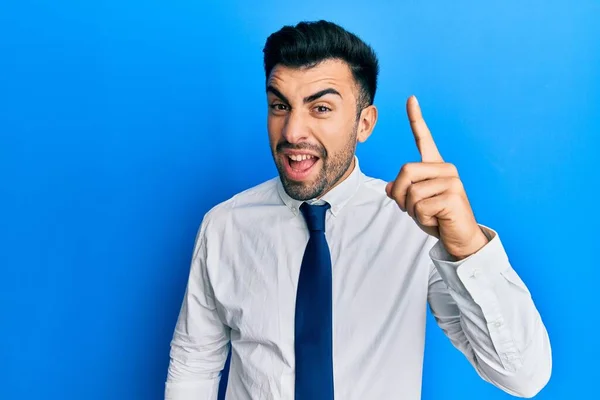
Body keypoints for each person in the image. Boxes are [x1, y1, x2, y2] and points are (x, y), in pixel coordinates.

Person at [164, 20, 551, 400]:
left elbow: (523, 376)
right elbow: (194, 362)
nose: (292, 131)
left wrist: (466, 246)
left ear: (364, 123)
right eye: (280, 105)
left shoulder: (415, 227)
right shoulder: (225, 225)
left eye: (321, 108)